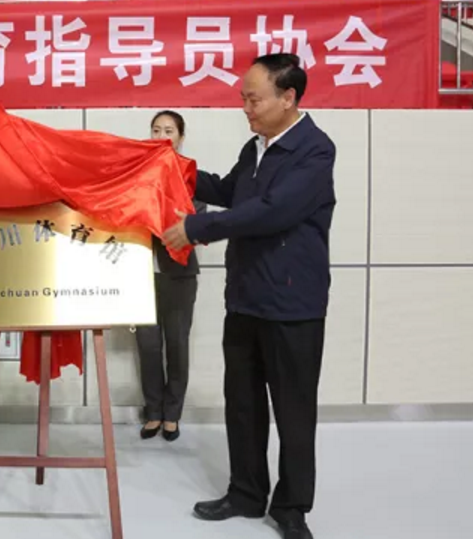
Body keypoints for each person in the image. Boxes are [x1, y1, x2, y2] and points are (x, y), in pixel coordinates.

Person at [163, 53, 336, 539]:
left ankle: (292, 507)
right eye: (243, 98)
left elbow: (271, 211)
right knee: (242, 402)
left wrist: (195, 228)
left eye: (254, 99)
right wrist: (172, 166)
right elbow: (229, 191)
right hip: (245, 296)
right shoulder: (255, 147)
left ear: (288, 97)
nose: (245, 108)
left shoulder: (314, 151)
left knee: (293, 410)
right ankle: (245, 492)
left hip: (292, 304)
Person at [136, 110, 205, 442]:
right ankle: (153, 411)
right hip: (140, 275)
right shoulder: (137, 172)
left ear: (180, 137)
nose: (161, 136)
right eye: (156, 130)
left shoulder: (188, 174)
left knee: (177, 344)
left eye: (169, 131)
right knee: (148, 346)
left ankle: (172, 414)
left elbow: (199, 217)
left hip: (179, 275)